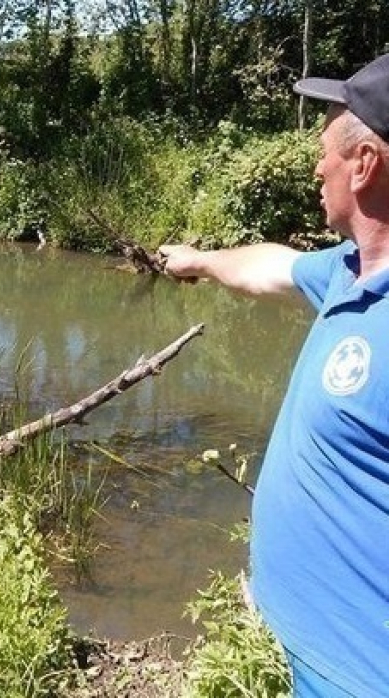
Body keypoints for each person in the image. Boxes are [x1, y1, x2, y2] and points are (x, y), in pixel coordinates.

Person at [160, 54, 389, 697]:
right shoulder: (350, 272)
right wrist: (200, 260)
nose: (317, 168)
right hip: (312, 656)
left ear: (364, 164)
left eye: (326, 153)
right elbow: (272, 267)